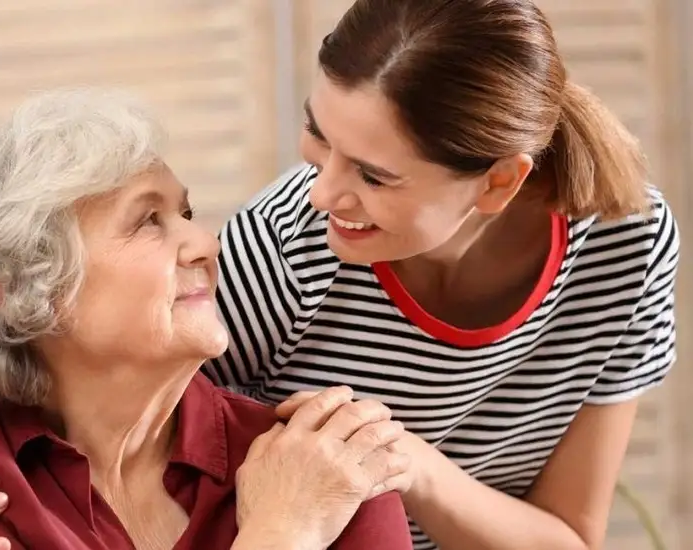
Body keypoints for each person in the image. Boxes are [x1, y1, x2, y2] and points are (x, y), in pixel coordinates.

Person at [0, 88, 412, 550]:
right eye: (147, 222)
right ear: (23, 287)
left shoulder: (326, 464)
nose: (207, 243)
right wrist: (281, 535)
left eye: (186, 212)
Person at [202, 1, 679, 549]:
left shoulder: (625, 244)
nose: (322, 193)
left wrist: (408, 462)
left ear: (499, 183)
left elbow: (569, 538)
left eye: (374, 175)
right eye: (319, 133)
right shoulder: (278, 251)